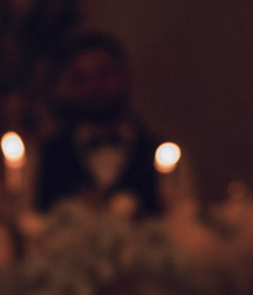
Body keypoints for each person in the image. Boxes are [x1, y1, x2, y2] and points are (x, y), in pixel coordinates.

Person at [34, 34, 165, 215]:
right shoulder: (45, 157)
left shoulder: (162, 155)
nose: (95, 87)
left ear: (125, 77)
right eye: (81, 78)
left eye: (104, 74)